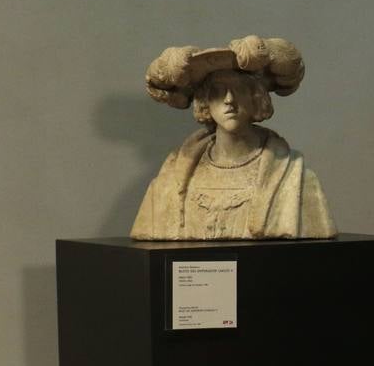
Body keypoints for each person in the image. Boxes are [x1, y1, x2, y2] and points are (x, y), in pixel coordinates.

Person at [132, 35, 335, 240]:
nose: (229, 100)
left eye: (239, 90)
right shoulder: (170, 179)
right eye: (218, 92)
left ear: (256, 98)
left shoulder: (295, 177)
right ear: (205, 103)